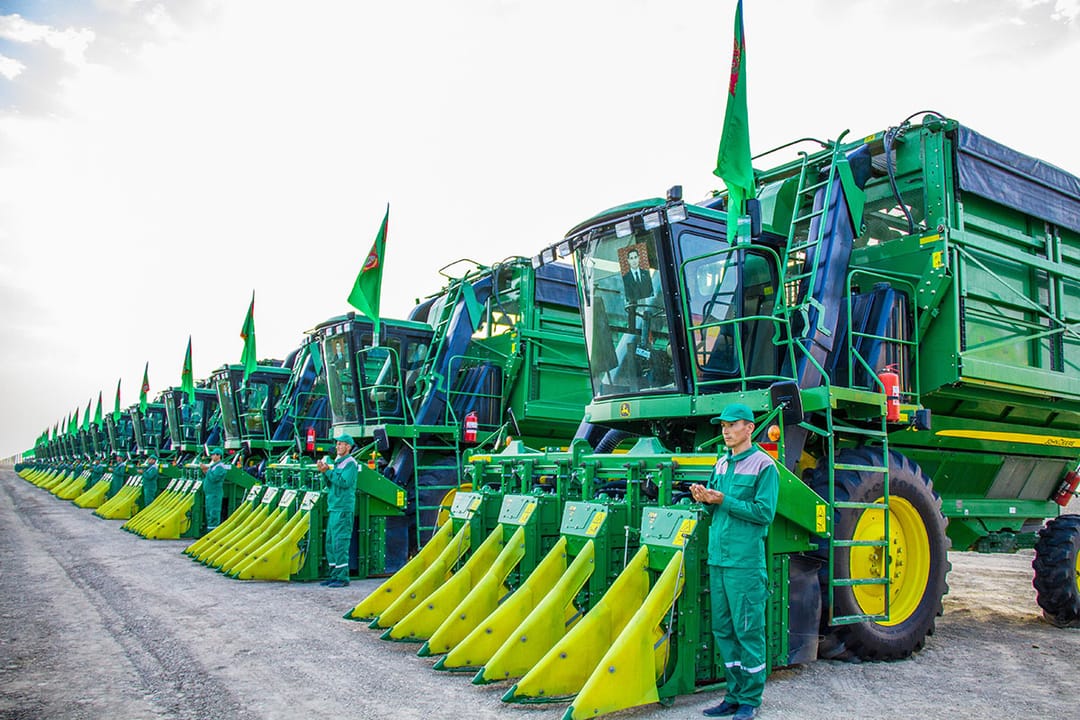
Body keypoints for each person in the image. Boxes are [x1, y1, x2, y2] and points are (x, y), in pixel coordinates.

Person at [690, 403, 779, 720]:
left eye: (732, 425)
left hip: (745, 564)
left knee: (748, 631)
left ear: (749, 428)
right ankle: (733, 694)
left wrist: (724, 500)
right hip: (719, 560)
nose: (726, 431)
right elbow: (715, 509)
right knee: (724, 630)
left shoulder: (764, 466)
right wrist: (704, 499)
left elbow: (764, 513)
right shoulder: (721, 464)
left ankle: (750, 699)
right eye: (723, 426)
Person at [317, 433, 358, 588]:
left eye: (341, 444)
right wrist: (324, 473)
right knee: (331, 543)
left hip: (343, 509)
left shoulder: (350, 464)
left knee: (340, 543)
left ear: (348, 446)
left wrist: (328, 471)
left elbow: (344, 482)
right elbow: (331, 484)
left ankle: (342, 577)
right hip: (334, 508)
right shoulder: (338, 462)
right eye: (337, 444)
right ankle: (333, 575)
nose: (337, 446)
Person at [199, 447, 229, 531]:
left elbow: (214, 478)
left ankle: (213, 532)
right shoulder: (214, 466)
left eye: (213, 454)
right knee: (209, 512)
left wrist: (206, 470)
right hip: (209, 494)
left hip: (214, 494)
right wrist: (205, 470)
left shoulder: (220, 467)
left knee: (214, 513)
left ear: (219, 456)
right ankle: (209, 531)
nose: (212, 456)